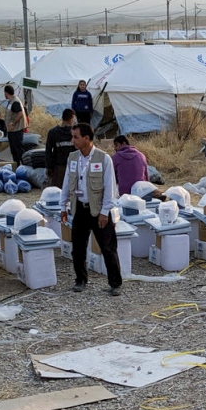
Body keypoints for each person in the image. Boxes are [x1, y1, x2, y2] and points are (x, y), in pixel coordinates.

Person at [59, 123, 123, 296]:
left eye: (76, 137)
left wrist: (104, 212)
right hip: (79, 208)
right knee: (78, 248)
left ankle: (115, 283)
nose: (72, 140)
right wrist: (63, 206)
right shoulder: (72, 157)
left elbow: (110, 188)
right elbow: (66, 183)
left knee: (108, 247)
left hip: (98, 210)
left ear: (86, 139)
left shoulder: (103, 159)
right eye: (72, 136)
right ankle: (80, 280)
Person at [45, 109, 77, 188]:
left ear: (62, 118)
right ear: (72, 119)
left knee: (58, 192)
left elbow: (48, 151)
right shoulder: (75, 133)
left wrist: (49, 167)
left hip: (58, 167)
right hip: (73, 167)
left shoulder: (53, 132)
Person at [3, 85, 27, 166]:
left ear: (6, 93)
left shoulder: (15, 102)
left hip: (16, 130)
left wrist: (13, 123)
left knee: (18, 150)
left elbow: (20, 113)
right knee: (14, 151)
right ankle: (17, 166)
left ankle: (24, 166)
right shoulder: (11, 101)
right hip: (12, 131)